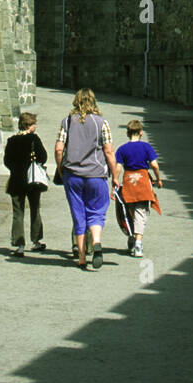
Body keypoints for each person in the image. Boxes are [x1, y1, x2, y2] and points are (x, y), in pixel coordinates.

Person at [55, 88, 117, 269]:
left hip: (72, 174)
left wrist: (60, 168)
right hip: (96, 174)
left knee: (78, 213)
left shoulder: (67, 122)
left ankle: (81, 256)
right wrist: (114, 175)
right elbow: (108, 151)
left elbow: (59, 149)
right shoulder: (101, 123)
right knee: (96, 211)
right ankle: (96, 242)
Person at [114, 119, 162, 258]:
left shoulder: (122, 149)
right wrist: (158, 179)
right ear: (141, 132)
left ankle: (133, 239)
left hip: (129, 181)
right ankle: (138, 244)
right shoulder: (146, 147)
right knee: (141, 214)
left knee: (131, 212)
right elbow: (154, 165)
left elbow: (118, 167)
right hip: (142, 181)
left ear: (127, 133)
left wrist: (115, 180)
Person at [3, 111, 48, 256]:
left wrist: (16, 169)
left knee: (18, 212)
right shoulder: (33, 139)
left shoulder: (11, 140)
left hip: (16, 180)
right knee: (35, 209)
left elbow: (7, 161)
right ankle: (36, 241)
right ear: (30, 125)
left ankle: (19, 244)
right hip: (32, 180)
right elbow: (43, 157)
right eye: (34, 124)